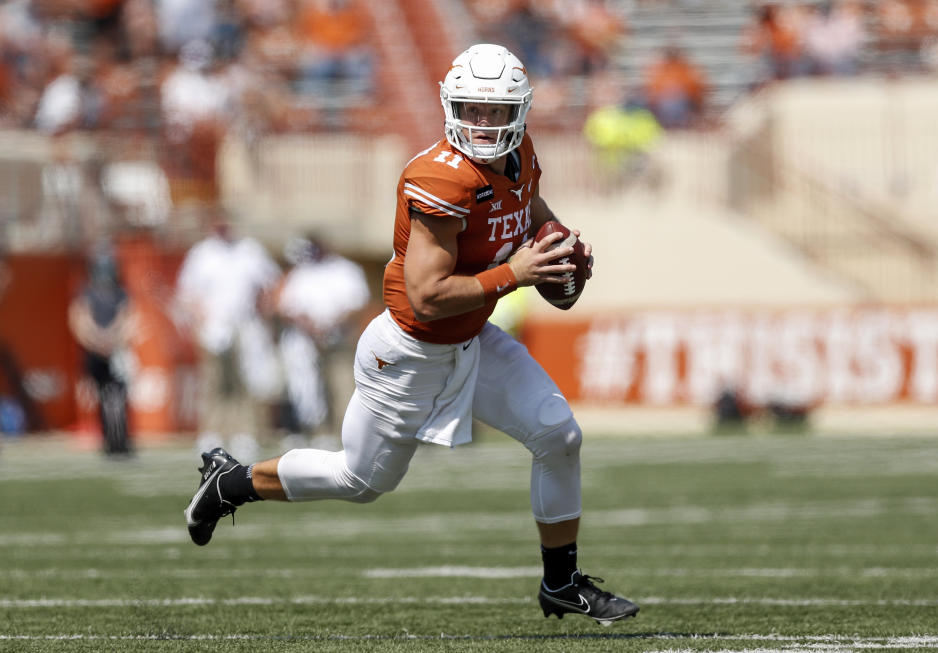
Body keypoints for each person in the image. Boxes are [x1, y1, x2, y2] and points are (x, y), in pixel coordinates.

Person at [184, 43, 639, 626]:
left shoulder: (520, 154)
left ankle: (562, 582)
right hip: (408, 351)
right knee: (362, 479)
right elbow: (427, 295)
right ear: (451, 107)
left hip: (472, 340)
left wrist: (557, 244)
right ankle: (233, 482)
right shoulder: (438, 179)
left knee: (559, 436)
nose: (482, 123)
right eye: (471, 109)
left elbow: (529, 207)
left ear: (519, 114)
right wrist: (516, 274)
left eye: (495, 111)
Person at [173, 209, 282, 458]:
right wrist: (201, 320)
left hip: (245, 325)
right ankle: (212, 432)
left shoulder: (250, 251)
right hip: (214, 327)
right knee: (214, 383)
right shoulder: (202, 254)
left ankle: (245, 433)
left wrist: (264, 313)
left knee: (243, 382)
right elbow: (188, 293)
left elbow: (270, 284)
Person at [274, 233, 370, 446]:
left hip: (339, 339)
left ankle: (345, 433)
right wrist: (310, 327)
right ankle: (317, 432)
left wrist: (331, 326)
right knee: (308, 388)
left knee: (342, 386)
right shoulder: (301, 273)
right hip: (306, 341)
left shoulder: (346, 270)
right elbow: (286, 306)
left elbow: (358, 304)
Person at [68, 246, 136, 456]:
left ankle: (121, 438)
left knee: (119, 396)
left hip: (116, 352)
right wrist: (99, 341)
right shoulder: (87, 292)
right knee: (105, 397)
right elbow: (80, 321)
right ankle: (110, 439)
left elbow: (128, 320)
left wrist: (112, 340)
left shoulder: (121, 293)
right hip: (96, 353)